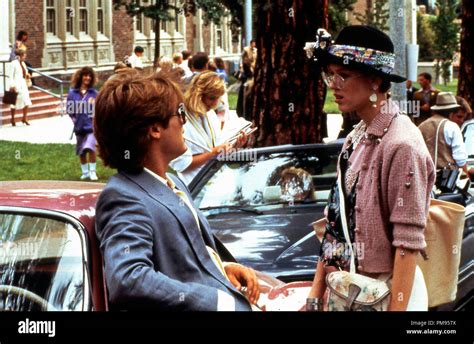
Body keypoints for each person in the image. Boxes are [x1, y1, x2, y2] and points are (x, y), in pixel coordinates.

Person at [93, 71, 259, 310]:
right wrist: (216, 300)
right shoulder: (123, 196)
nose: (184, 120)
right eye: (180, 112)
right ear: (155, 129)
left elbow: (184, 260)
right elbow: (128, 278)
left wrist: (222, 268)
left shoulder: (173, 182)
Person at [305, 25, 435, 311]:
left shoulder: (402, 144)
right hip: (349, 292)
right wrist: (315, 295)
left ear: (376, 81)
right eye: (330, 74)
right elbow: (333, 225)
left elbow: (407, 245)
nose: (333, 84)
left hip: (390, 294)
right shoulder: (356, 136)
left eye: (344, 75)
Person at [170, 71, 247, 184]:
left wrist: (233, 146)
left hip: (215, 180)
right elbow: (182, 165)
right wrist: (212, 154)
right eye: (211, 98)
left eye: (217, 98)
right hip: (193, 185)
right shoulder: (180, 119)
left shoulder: (209, 114)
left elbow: (216, 147)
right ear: (197, 95)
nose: (215, 104)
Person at [418, 92, 472, 179]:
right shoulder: (452, 126)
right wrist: (467, 177)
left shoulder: (422, 125)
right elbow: (460, 158)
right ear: (451, 113)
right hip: (447, 178)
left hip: (425, 176)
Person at [66, 67, 99, 181]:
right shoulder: (72, 93)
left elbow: (98, 109)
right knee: (81, 150)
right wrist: (74, 120)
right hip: (79, 127)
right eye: (85, 75)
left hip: (91, 127)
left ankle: (92, 172)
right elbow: (70, 110)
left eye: (90, 76)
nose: (88, 78)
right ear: (80, 77)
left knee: (90, 147)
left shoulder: (94, 93)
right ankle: (85, 172)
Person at [9, 48, 32, 126]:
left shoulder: (23, 63)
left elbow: (25, 72)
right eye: (24, 55)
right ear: (19, 56)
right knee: (14, 102)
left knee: (26, 101)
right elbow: (10, 76)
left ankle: (24, 118)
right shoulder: (13, 63)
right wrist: (12, 86)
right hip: (16, 84)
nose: (25, 57)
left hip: (23, 84)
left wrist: (27, 75)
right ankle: (12, 119)